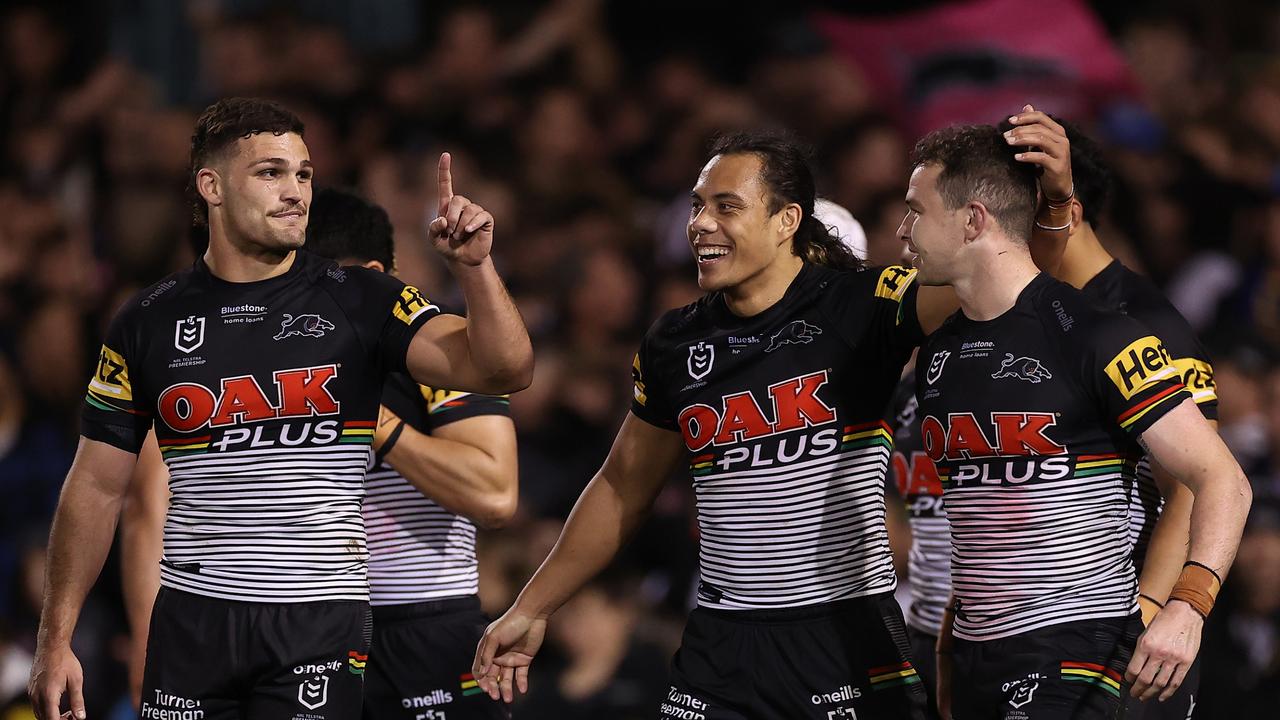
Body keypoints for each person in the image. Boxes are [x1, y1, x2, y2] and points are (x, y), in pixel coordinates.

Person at [474, 117, 1071, 720]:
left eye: (726, 206)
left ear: (787, 220)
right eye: (698, 206)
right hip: (721, 645)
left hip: (843, 638)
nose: (700, 224)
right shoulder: (674, 341)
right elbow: (623, 484)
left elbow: (1005, 271)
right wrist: (532, 606)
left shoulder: (865, 306)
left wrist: (1053, 200)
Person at [28, 97, 532, 720]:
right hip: (190, 624)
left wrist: (476, 270)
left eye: (303, 174)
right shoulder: (146, 321)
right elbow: (98, 487)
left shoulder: (362, 299)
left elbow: (506, 369)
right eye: (270, 173)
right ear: (210, 186)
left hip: (317, 625)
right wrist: (55, 641)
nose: (295, 191)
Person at [904, 122, 1251, 719]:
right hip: (974, 655)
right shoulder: (939, 353)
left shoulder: (1101, 333)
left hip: (1076, 650)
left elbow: (1222, 480)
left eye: (916, 211)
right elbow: (986, 520)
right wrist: (949, 646)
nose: (902, 230)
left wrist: (1185, 606)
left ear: (973, 220)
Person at [999, 116, 1221, 719]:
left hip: (1135, 635)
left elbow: (1192, 491)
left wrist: (1151, 611)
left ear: (1060, 209)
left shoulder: (1149, 322)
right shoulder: (1035, 316)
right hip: (1049, 625)